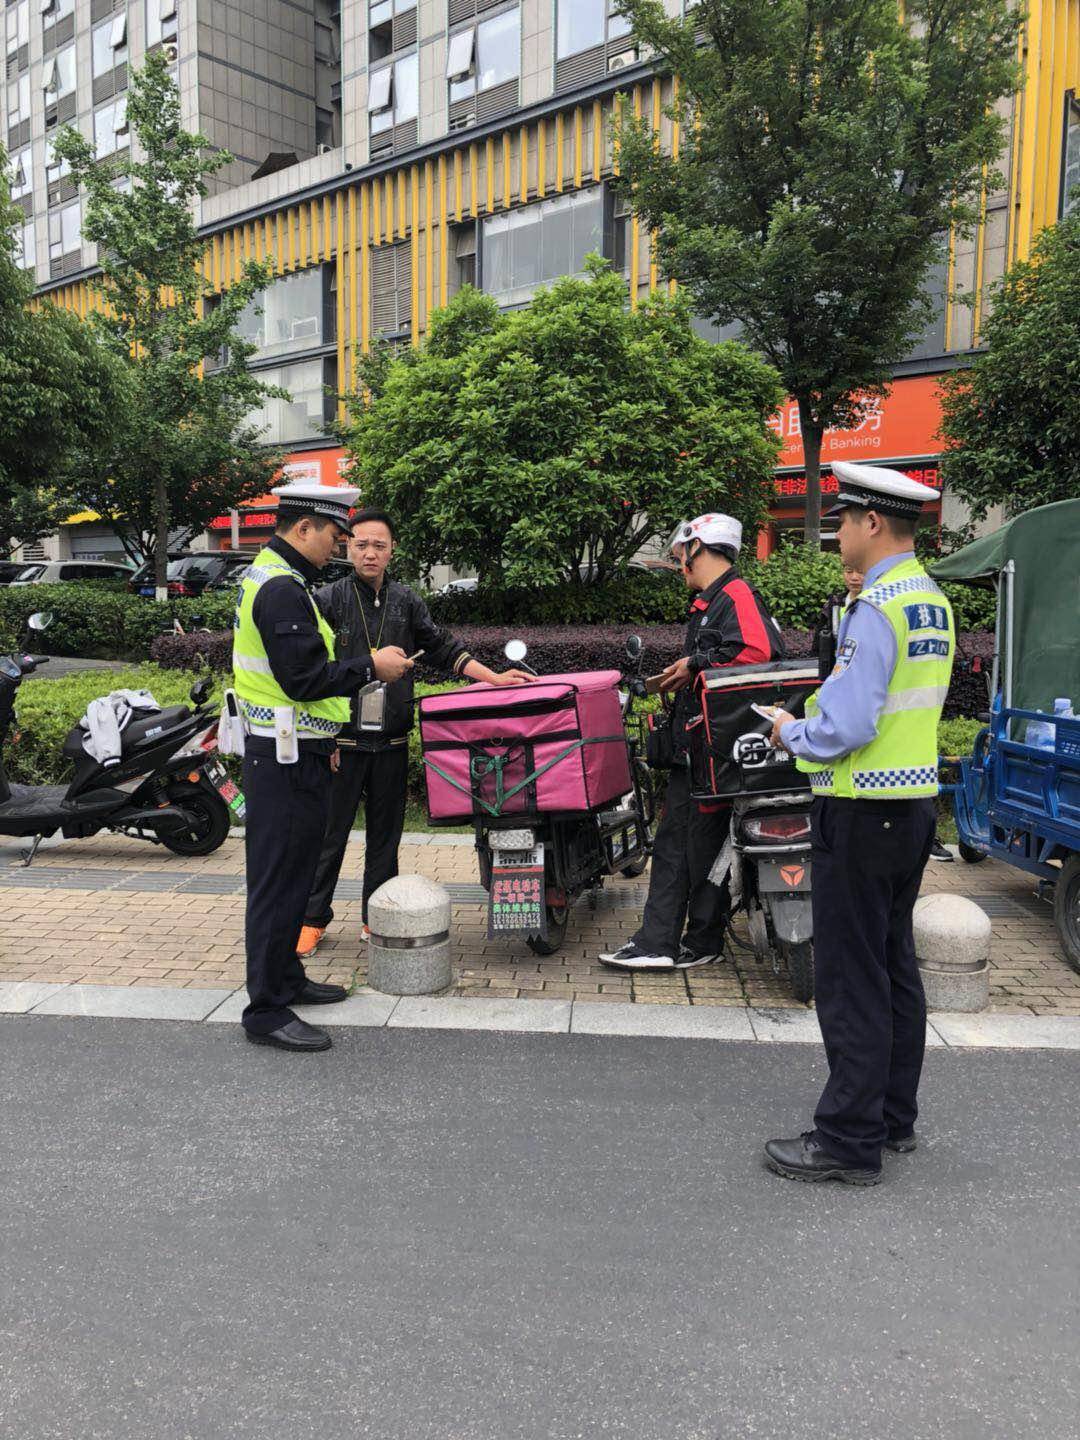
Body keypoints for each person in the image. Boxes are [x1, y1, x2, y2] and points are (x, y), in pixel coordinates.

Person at [764, 461, 955, 1185]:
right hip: (908, 808)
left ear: (872, 524)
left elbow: (848, 720)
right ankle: (891, 1117)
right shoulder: (929, 599)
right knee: (893, 965)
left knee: (852, 977)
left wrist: (791, 734)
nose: (836, 533)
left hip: (860, 807)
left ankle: (846, 1140)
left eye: (842, 521)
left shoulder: (878, 605)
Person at [295, 508, 533, 957]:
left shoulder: (407, 601)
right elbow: (311, 672)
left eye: (379, 545)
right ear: (347, 546)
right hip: (340, 741)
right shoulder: (327, 599)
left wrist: (495, 679)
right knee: (329, 834)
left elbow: (444, 649)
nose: (370, 553)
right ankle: (311, 919)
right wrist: (320, 738)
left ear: (391, 551)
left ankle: (378, 914)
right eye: (361, 544)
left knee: (386, 838)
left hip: (392, 738)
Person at [233, 481, 413, 1053]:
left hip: (299, 751)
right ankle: (265, 1010)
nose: (340, 547)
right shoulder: (282, 589)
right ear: (303, 527)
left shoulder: (284, 579)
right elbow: (305, 679)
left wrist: (326, 734)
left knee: (293, 874)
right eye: (336, 536)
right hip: (281, 759)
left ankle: (286, 979)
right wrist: (371, 666)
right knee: (277, 882)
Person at [599, 513, 784, 971]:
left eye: (682, 553)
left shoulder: (734, 595)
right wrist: (685, 671)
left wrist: (695, 663)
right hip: (708, 749)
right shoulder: (716, 600)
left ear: (699, 548)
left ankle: (657, 944)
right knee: (700, 847)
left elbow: (758, 655)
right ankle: (701, 941)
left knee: (676, 846)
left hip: (711, 753)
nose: (679, 562)